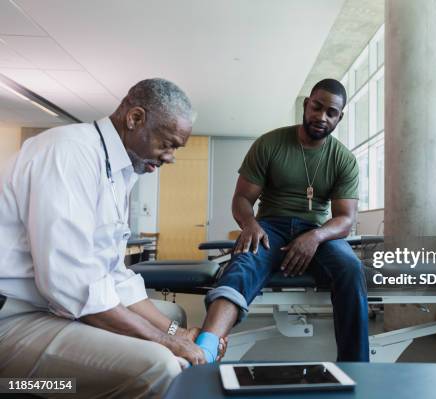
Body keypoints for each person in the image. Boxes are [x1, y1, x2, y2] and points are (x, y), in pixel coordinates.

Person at [0, 78, 224, 398]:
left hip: (49, 308)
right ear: (135, 118)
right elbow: (71, 284)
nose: (171, 157)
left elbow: (113, 276)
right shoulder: (69, 153)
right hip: (12, 319)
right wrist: (165, 341)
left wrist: (179, 334)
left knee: (173, 317)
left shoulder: (118, 172)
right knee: (159, 366)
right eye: (168, 143)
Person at [194, 78, 369, 363]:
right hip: (269, 227)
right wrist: (250, 225)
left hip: (317, 230)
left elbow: (345, 219)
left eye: (331, 112)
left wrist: (315, 237)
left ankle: (357, 367)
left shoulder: (343, 159)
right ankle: (204, 349)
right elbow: (241, 199)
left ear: (340, 117)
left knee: (351, 267)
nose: (322, 117)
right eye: (317, 107)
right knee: (242, 264)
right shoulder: (270, 143)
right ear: (306, 104)